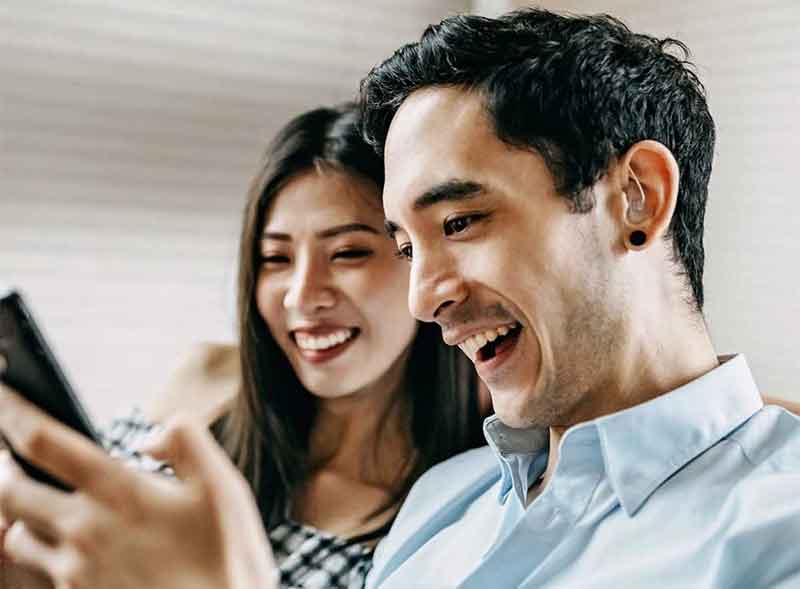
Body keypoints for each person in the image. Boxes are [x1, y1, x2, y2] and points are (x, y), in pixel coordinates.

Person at [1, 8, 800, 588]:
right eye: (408, 245)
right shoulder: (441, 503)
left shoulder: (778, 529)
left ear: (637, 197)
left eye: (461, 220)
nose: (424, 296)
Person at [0, 102, 483, 588]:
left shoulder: (452, 514)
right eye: (275, 258)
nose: (302, 294)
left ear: (418, 260)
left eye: (348, 253)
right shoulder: (206, 376)